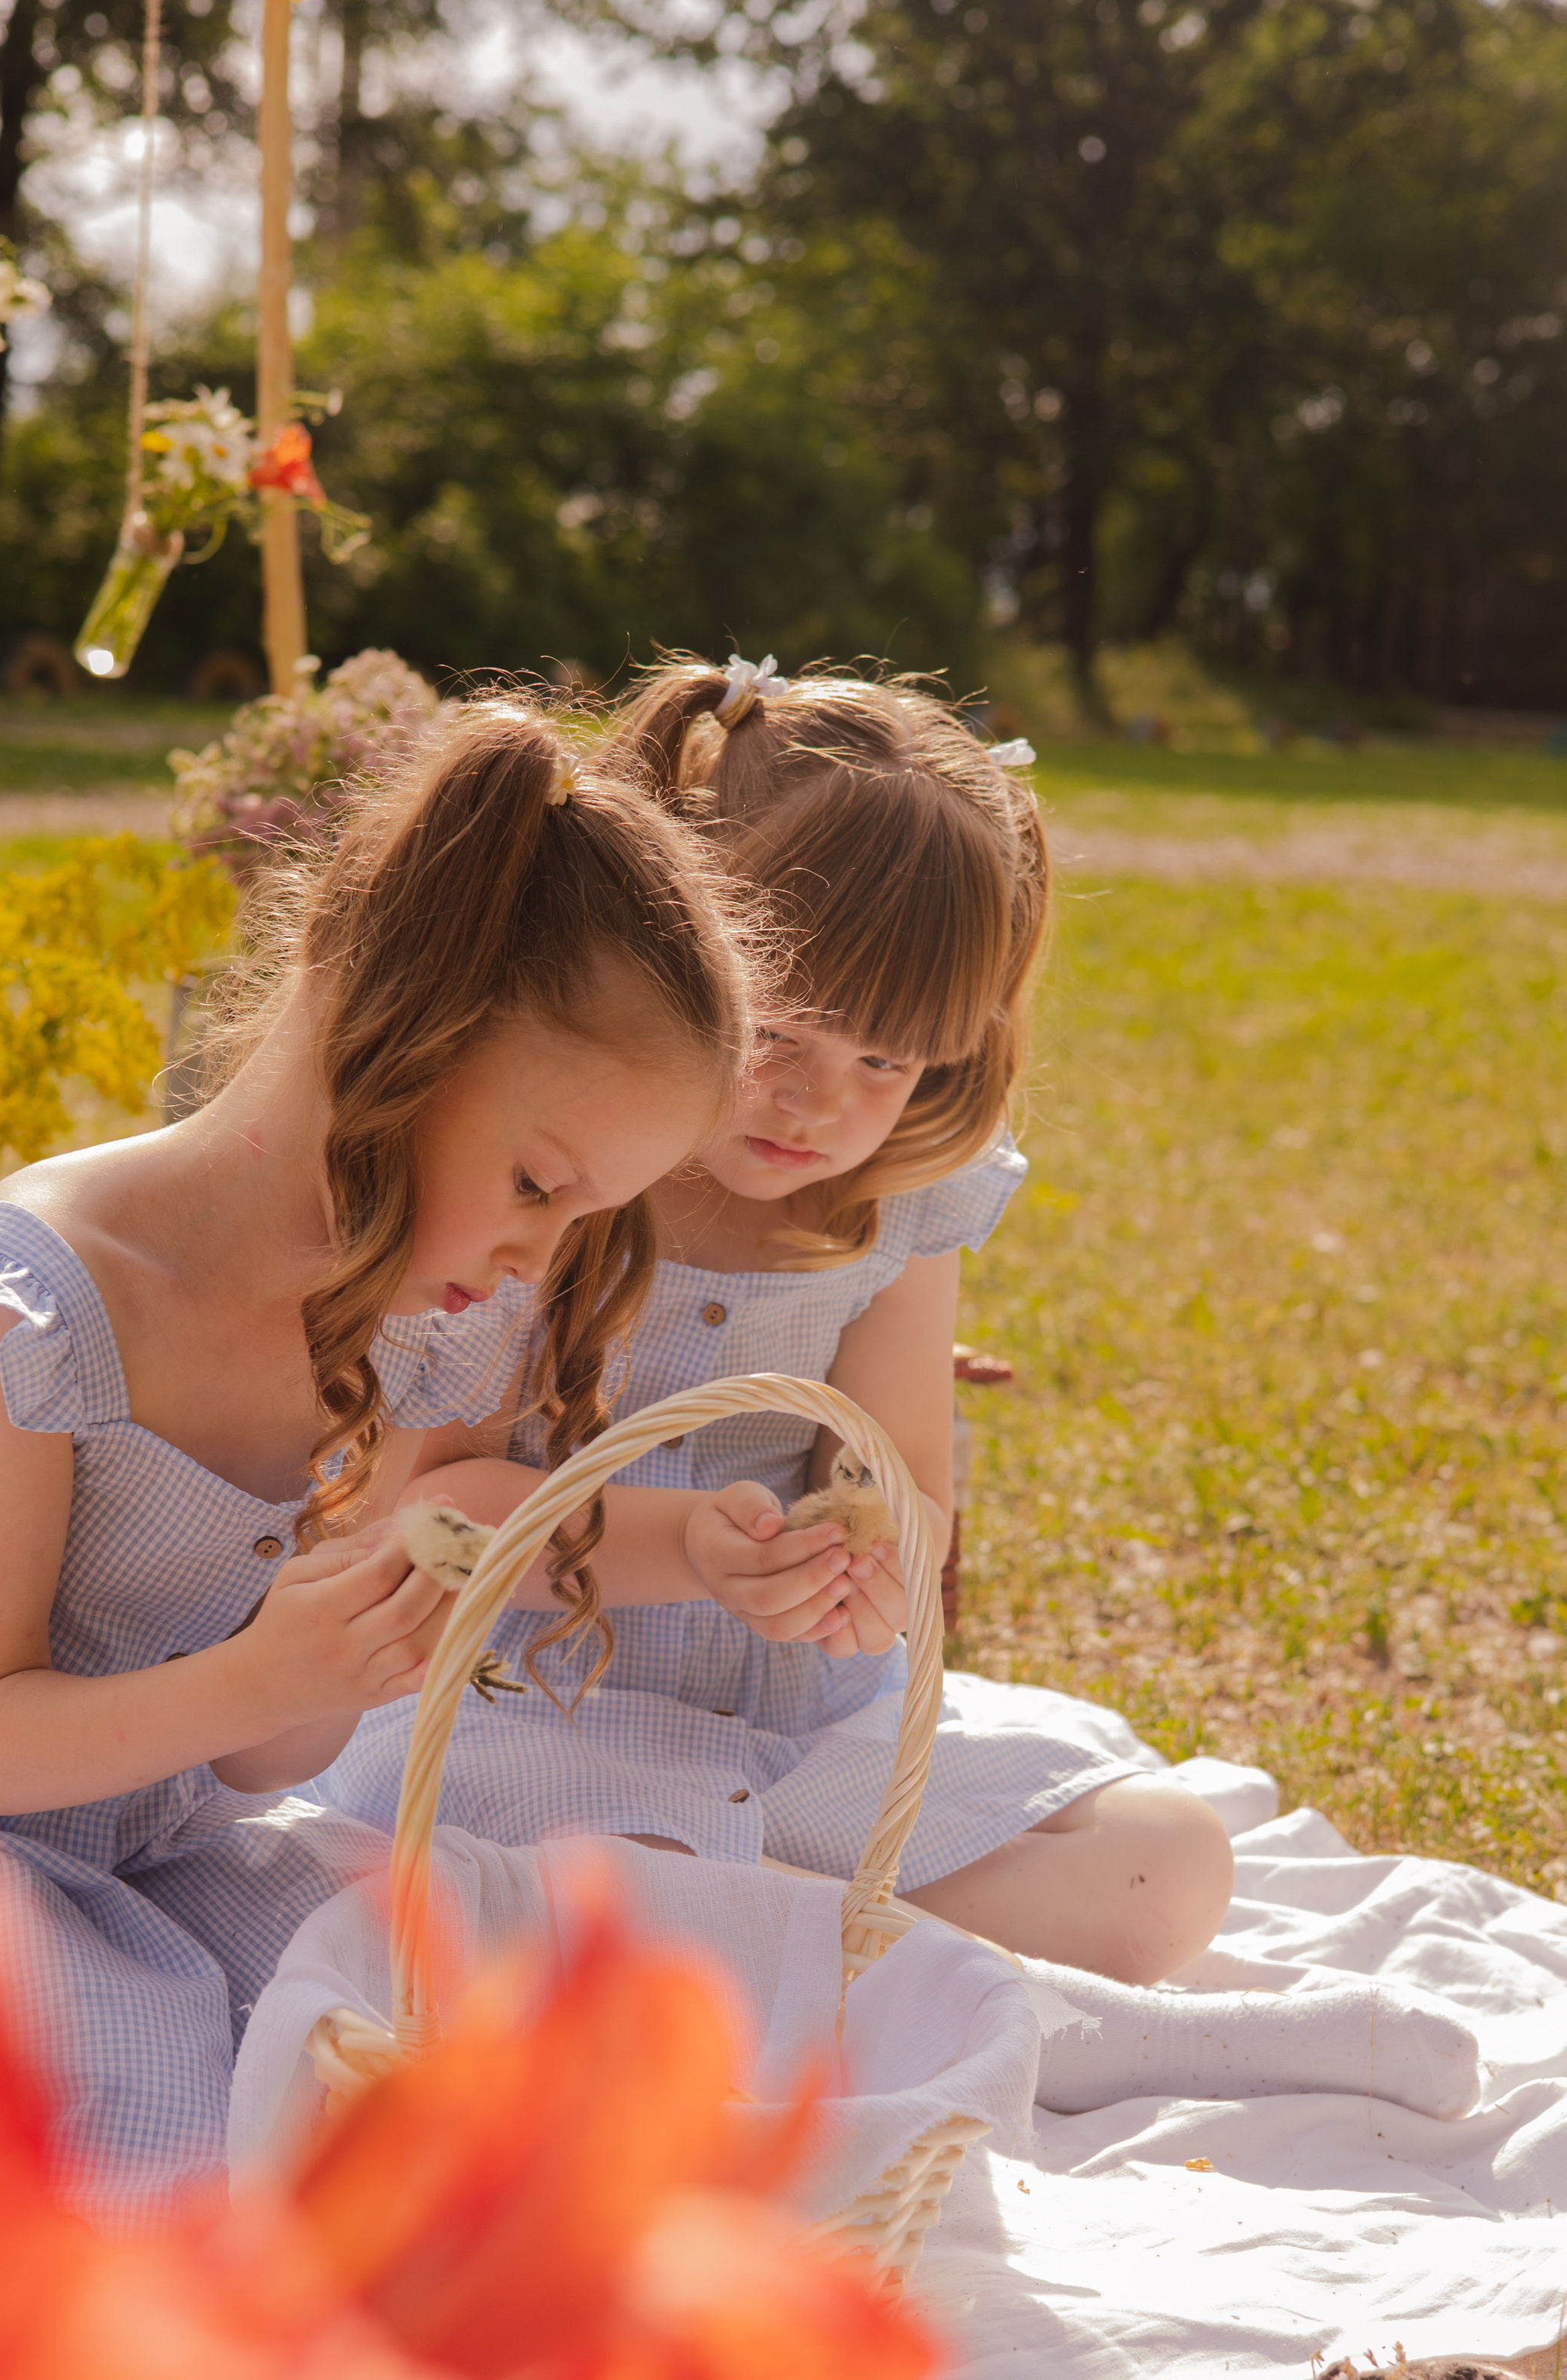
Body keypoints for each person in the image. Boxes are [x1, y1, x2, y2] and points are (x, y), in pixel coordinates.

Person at [0, 701, 782, 2221]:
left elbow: (249, 1762)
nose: (538, 1258)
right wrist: (256, 1680)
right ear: (391, 1037)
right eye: (534, 1184)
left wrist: (330, 1659)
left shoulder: (403, 1325)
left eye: (586, 1218)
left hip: (120, 1827)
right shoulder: (31, 1306)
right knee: (152, 2086)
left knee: (402, 1979)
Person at [317, 663, 1238, 1987]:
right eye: (783, 1034)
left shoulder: (893, 1205)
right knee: (547, 1864)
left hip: (793, 1734)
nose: (820, 1108)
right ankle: (813, 1944)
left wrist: (870, 1559)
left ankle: (755, 1934)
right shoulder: (558, 1179)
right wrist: (690, 1547)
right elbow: (434, 1516)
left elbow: (898, 1470)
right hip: (533, 1715)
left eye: (886, 1063)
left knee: (1165, 1867)